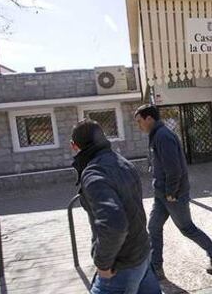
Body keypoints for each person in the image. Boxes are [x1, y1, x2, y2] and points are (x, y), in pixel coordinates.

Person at [134, 104, 212, 280]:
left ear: (149, 119)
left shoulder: (163, 136)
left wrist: (171, 191)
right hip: (161, 194)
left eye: (140, 121)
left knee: (186, 228)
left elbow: (174, 168)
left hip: (172, 194)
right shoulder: (156, 135)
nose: (138, 126)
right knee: (154, 227)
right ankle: (156, 268)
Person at [71, 119, 161, 294]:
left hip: (121, 266)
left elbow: (114, 225)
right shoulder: (123, 162)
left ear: (74, 146)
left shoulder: (93, 173)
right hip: (141, 252)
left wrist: (102, 264)